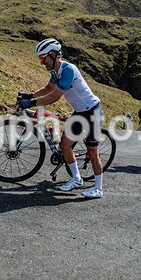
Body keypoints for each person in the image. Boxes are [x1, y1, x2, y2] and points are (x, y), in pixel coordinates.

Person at [17, 38, 104, 198]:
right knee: (65, 146)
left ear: (53, 54)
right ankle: (77, 179)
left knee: (92, 152)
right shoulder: (56, 72)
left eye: (43, 58)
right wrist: (30, 95)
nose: (42, 63)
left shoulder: (68, 70)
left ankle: (98, 188)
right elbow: (49, 88)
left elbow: (55, 96)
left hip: (92, 111)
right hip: (79, 112)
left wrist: (29, 103)